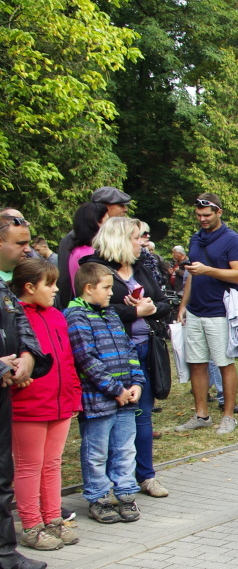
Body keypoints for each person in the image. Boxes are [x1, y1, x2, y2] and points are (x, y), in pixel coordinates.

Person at [90, 217, 171, 498]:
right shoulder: (95, 268)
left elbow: (163, 303)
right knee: (113, 419)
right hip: (112, 355)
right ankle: (112, 481)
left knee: (143, 415)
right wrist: (135, 312)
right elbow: (94, 311)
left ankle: (145, 476)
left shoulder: (142, 266)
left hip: (145, 349)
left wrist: (148, 308)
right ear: (121, 239)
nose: (142, 242)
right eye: (137, 237)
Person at [64, 262, 146, 525]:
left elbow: (129, 349)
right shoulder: (75, 317)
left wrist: (136, 383)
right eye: (107, 287)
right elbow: (85, 360)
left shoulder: (111, 315)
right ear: (89, 288)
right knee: (96, 451)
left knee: (124, 448)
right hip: (98, 401)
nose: (111, 292)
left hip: (125, 399)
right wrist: (115, 390)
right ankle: (98, 497)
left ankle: (124, 494)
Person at [11, 258, 82, 549]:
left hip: (60, 402)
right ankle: (31, 525)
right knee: (29, 466)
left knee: (52, 464)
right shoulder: (14, 317)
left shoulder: (56, 315)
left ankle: (53, 518)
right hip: (29, 405)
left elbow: (67, 358)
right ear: (29, 287)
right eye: (49, 284)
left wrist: (73, 393)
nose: (55, 290)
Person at [175, 194, 238, 435]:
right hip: (195, 310)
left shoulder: (232, 240)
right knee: (196, 363)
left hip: (220, 310)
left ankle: (228, 416)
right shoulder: (195, 239)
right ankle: (201, 415)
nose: (202, 219)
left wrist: (209, 270)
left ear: (219, 212)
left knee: (224, 363)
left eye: (207, 215)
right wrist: (183, 305)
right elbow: (191, 274)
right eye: (198, 215)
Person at [0, 216, 48, 569]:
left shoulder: (4, 290)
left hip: (4, 394)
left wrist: (28, 357)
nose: (27, 249)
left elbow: (23, 329)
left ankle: (5, 552)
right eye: (19, 243)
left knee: (3, 475)